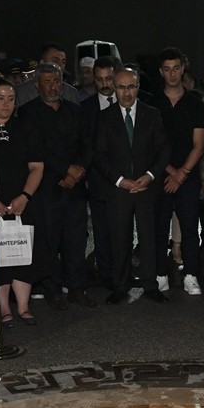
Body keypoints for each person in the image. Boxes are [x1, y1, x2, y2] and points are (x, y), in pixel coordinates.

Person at [93, 66, 170, 305]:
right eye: (121, 87)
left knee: (150, 239)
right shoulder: (104, 118)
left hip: (147, 188)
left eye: (131, 86)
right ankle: (120, 285)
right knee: (119, 240)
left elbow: (163, 150)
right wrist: (119, 180)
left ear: (138, 87)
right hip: (118, 189)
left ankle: (150, 285)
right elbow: (100, 155)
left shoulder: (152, 114)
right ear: (114, 88)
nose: (126, 93)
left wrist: (149, 176)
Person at [20, 63, 93, 308]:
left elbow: (87, 144)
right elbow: (36, 149)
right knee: (49, 240)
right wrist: (65, 170)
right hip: (47, 187)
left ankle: (77, 288)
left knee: (76, 240)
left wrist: (78, 170)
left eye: (57, 81)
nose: (54, 86)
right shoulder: (28, 113)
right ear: (37, 84)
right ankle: (52, 290)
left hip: (76, 187)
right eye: (48, 82)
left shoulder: (75, 110)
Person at [0, 78, 46, 327]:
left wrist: (25, 196)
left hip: (23, 200)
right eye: (0, 98)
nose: (6, 104)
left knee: (23, 251)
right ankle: (4, 308)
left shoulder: (25, 126)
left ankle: (23, 306)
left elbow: (37, 166)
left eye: (11, 98)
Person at [150, 47, 204, 296]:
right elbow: (149, 144)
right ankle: (160, 274)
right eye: (167, 69)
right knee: (158, 228)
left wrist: (181, 173)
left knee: (189, 229)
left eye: (176, 68)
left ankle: (191, 275)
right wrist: (170, 171)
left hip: (188, 176)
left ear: (183, 69)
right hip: (159, 175)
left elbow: (200, 144)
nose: (172, 74)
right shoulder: (152, 103)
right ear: (160, 72)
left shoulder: (196, 103)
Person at [79, 56, 119, 288]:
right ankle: (107, 275)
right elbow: (85, 145)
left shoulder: (130, 102)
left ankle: (124, 271)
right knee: (102, 230)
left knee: (124, 228)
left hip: (128, 177)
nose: (105, 84)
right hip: (98, 179)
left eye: (109, 78)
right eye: (99, 79)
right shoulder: (85, 109)